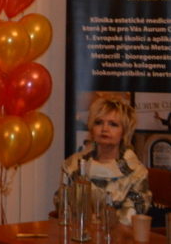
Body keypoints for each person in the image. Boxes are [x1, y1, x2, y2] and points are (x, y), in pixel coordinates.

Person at [59, 96, 151, 226]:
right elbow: (62, 205)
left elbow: (131, 217)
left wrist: (96, 221)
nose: (105, 129)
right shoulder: (73, 165)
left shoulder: (137, 172)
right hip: (79, 232)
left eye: (113, 124)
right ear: (91, 129)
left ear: (124, 132)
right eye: (98, 123)